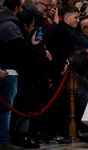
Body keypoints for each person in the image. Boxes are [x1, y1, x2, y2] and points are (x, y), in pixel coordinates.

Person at [44, 5, 88, 141]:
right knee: (55, 102)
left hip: (60, 67)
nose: (78, 20)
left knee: (60, 101)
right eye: (76, 18)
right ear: (67, 18)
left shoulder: (66, 28)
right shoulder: (64, 29)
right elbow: (80, 41)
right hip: (54, 69)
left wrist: (66, 62)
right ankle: (53, 133)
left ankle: (58, 132)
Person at [10, 12, 53, 149]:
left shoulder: (20, 39)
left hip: (21, 79)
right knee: (23, 109)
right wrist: (45, 81)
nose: (32, 29)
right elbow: (32, 59)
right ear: (25, 25)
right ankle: (23, 137)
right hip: (24, 81)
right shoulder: (20, 41)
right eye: (31, 26)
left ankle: (20, 136)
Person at [0, 0, 24, 149]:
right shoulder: (10, 26)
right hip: (8, 71)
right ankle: (3, 139)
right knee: (6, 109)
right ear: (16, 8)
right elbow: (19, 51)